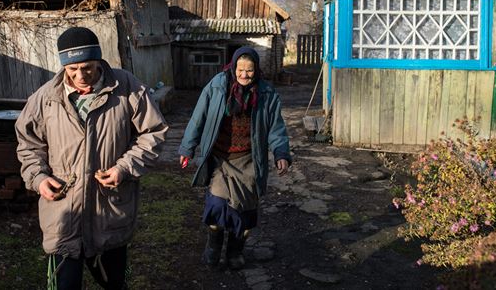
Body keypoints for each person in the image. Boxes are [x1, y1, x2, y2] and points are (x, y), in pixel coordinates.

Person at [15, 26, 168, 290]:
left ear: (99, 60)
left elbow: (153, 133)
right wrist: (39, 177)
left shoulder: (126, 88)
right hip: (63, 213)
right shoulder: (45, 98)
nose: (80, 76)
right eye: (72, 69)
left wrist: (124, 168)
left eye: (87, 67)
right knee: (65, 285)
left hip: (109, 211)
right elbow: (29, 145)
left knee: (114, 283)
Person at [178, 46, 291, 270]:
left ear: (256, 70)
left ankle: (235, 251)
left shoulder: (266, 94)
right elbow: (198, 117)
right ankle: (213, 246)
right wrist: (187, 148)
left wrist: (281, 153)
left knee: (246, 213)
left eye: (249, 70)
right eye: (240, 69)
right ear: (233, 66)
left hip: (249, 159)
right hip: (221, 158)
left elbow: (276, 129)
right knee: (217, 205)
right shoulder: (218, 86)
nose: (244, 75)